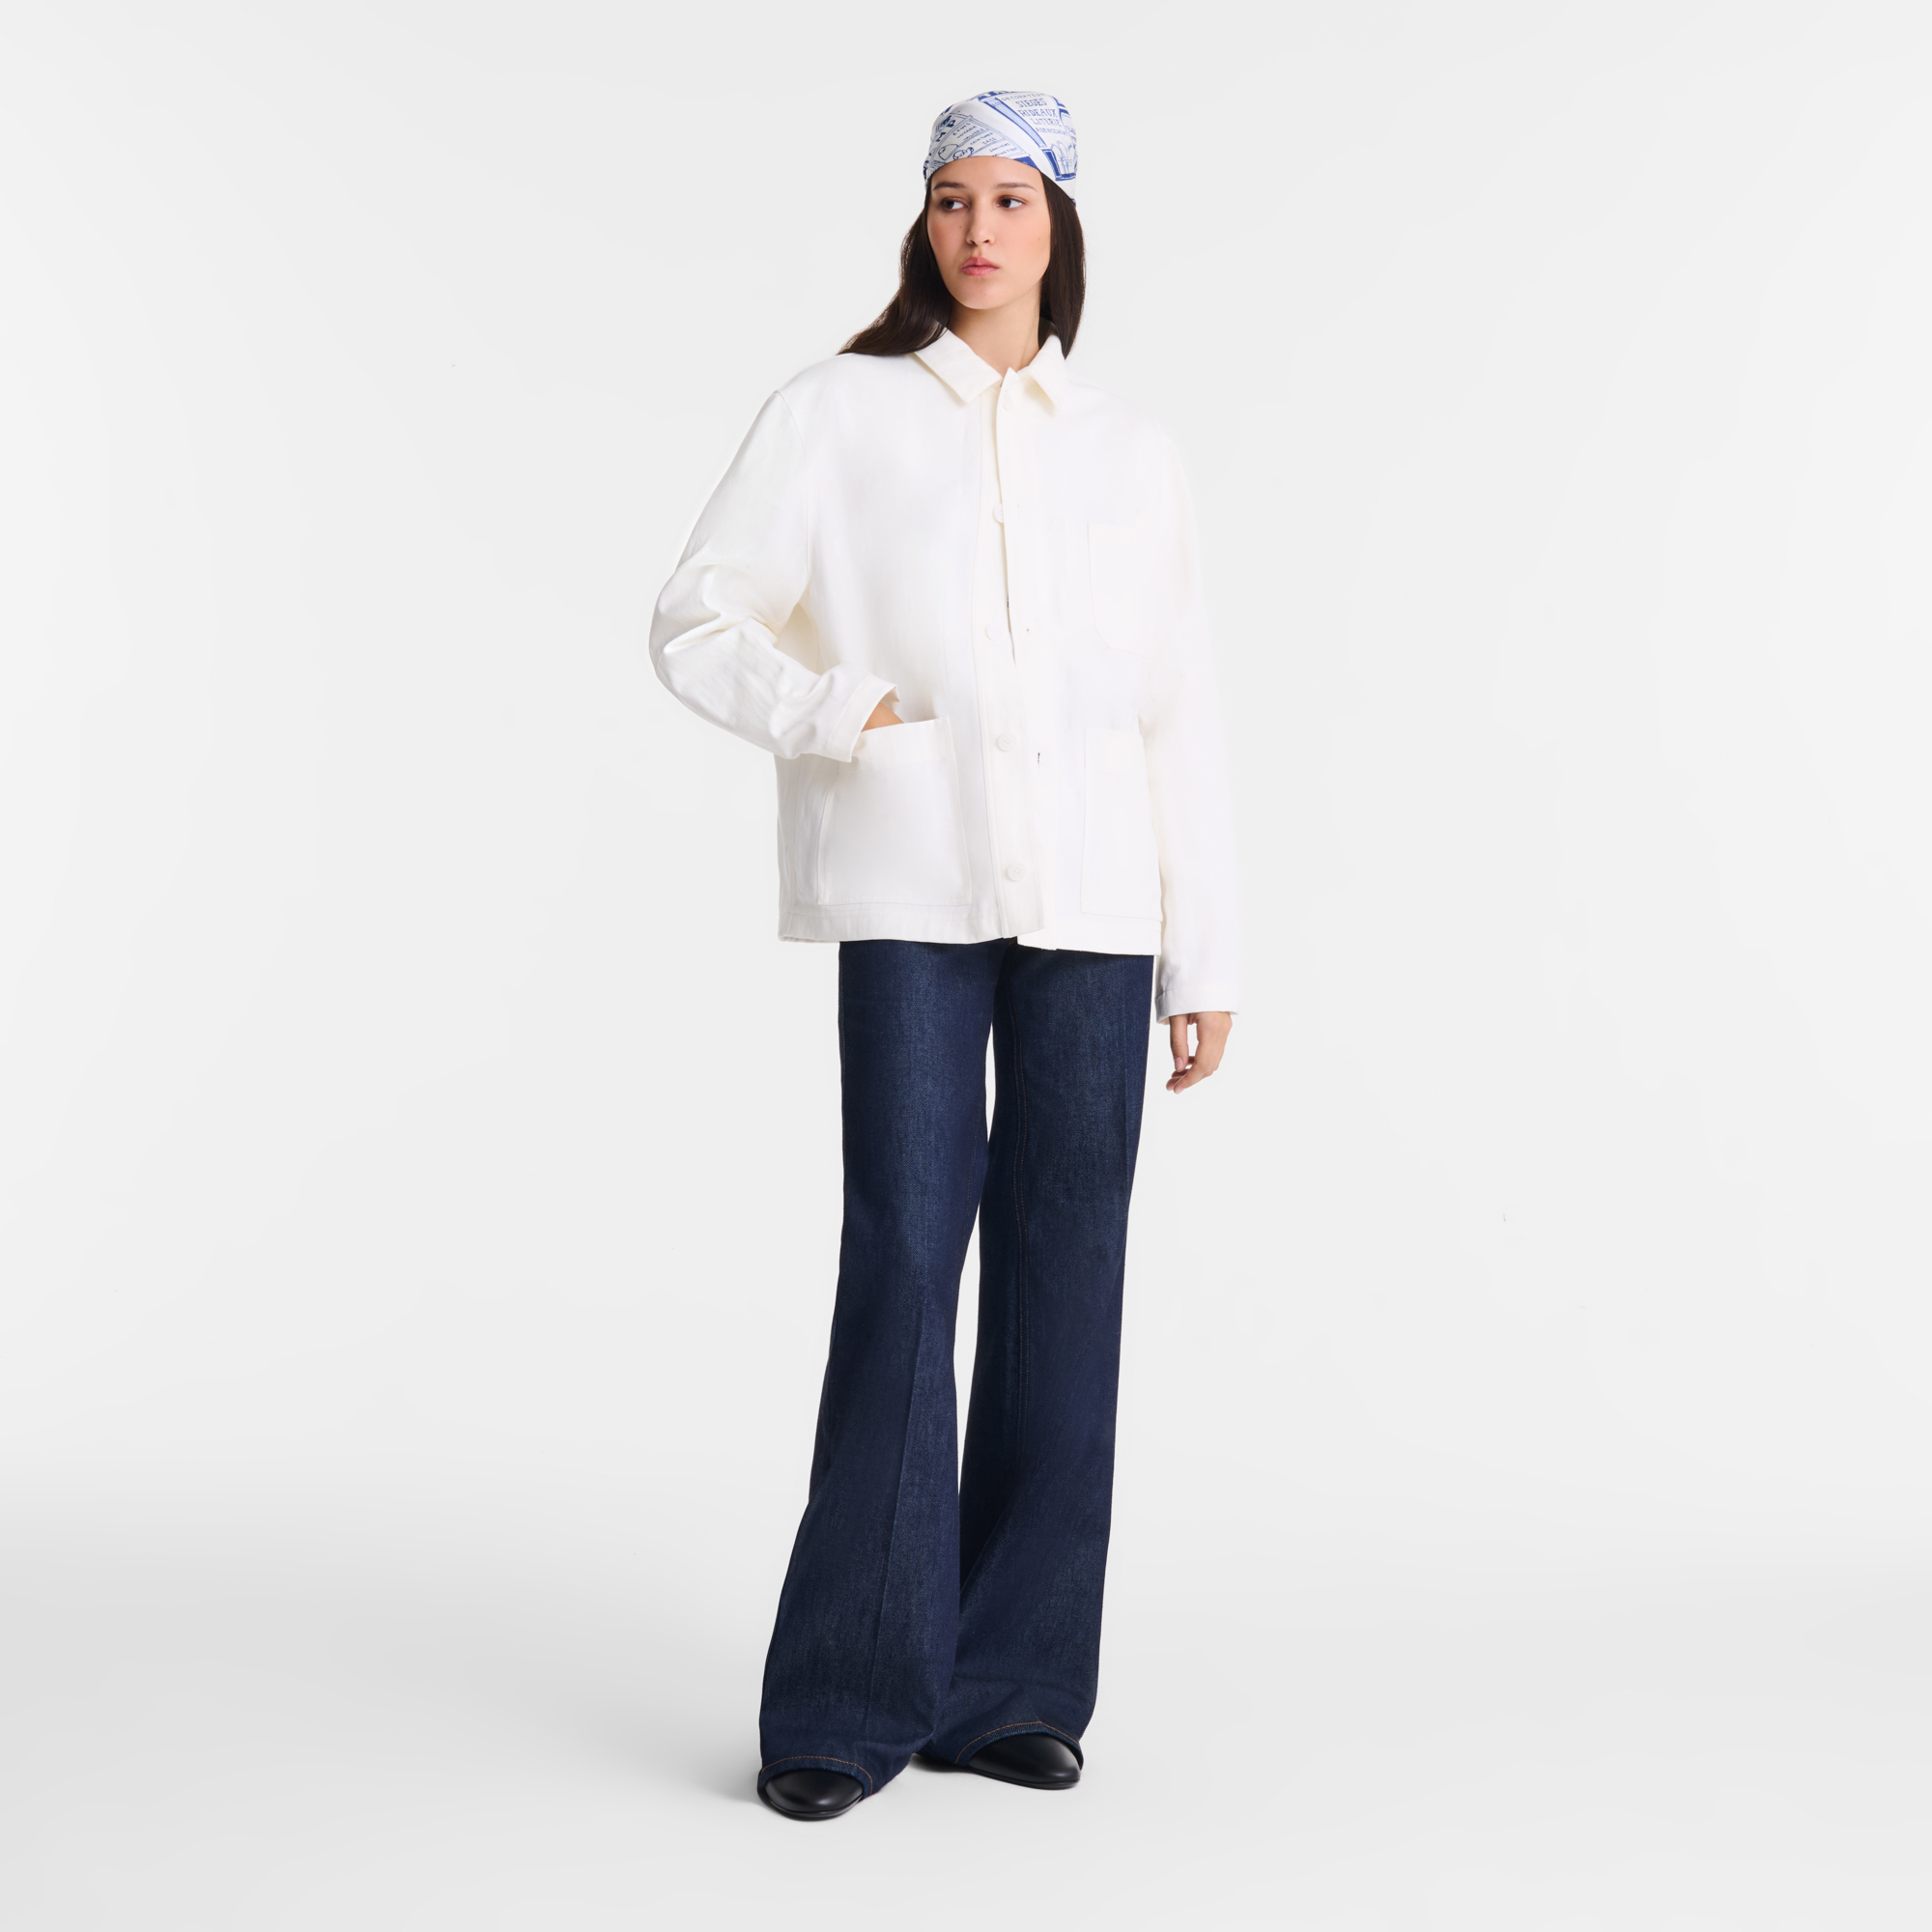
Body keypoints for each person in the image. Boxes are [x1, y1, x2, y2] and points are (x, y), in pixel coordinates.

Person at [649, 90, 1239, 1821]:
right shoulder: (835, 413)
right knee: (907, 1257)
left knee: (1070, 1274)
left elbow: (1179, 707)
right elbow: (695, 614)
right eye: (953, 201)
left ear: (1060, 229)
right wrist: (838, 712)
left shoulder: (1130, 452)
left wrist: (1201, 952)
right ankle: (845, 1699)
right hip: (910, 885)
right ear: (922, 225)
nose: (980, 230)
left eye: (1011, 201)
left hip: (1097, 911)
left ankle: (1014, 1688)